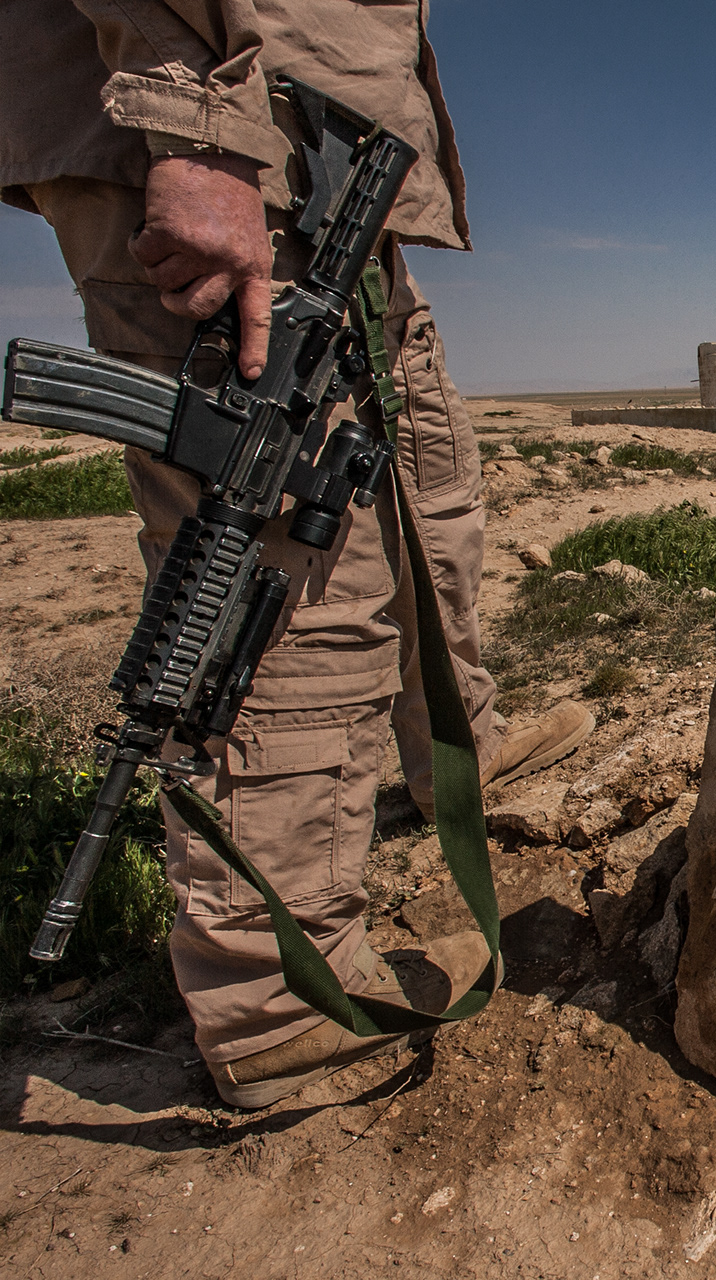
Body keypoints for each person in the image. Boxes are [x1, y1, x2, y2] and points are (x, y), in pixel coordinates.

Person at [0, 0, 593, 1107]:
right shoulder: (207, 134)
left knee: (421, 482)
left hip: (312, 139)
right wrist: (201, 131)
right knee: (282, 566)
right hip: (218, 143)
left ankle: (448, 756)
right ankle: (276, 994)